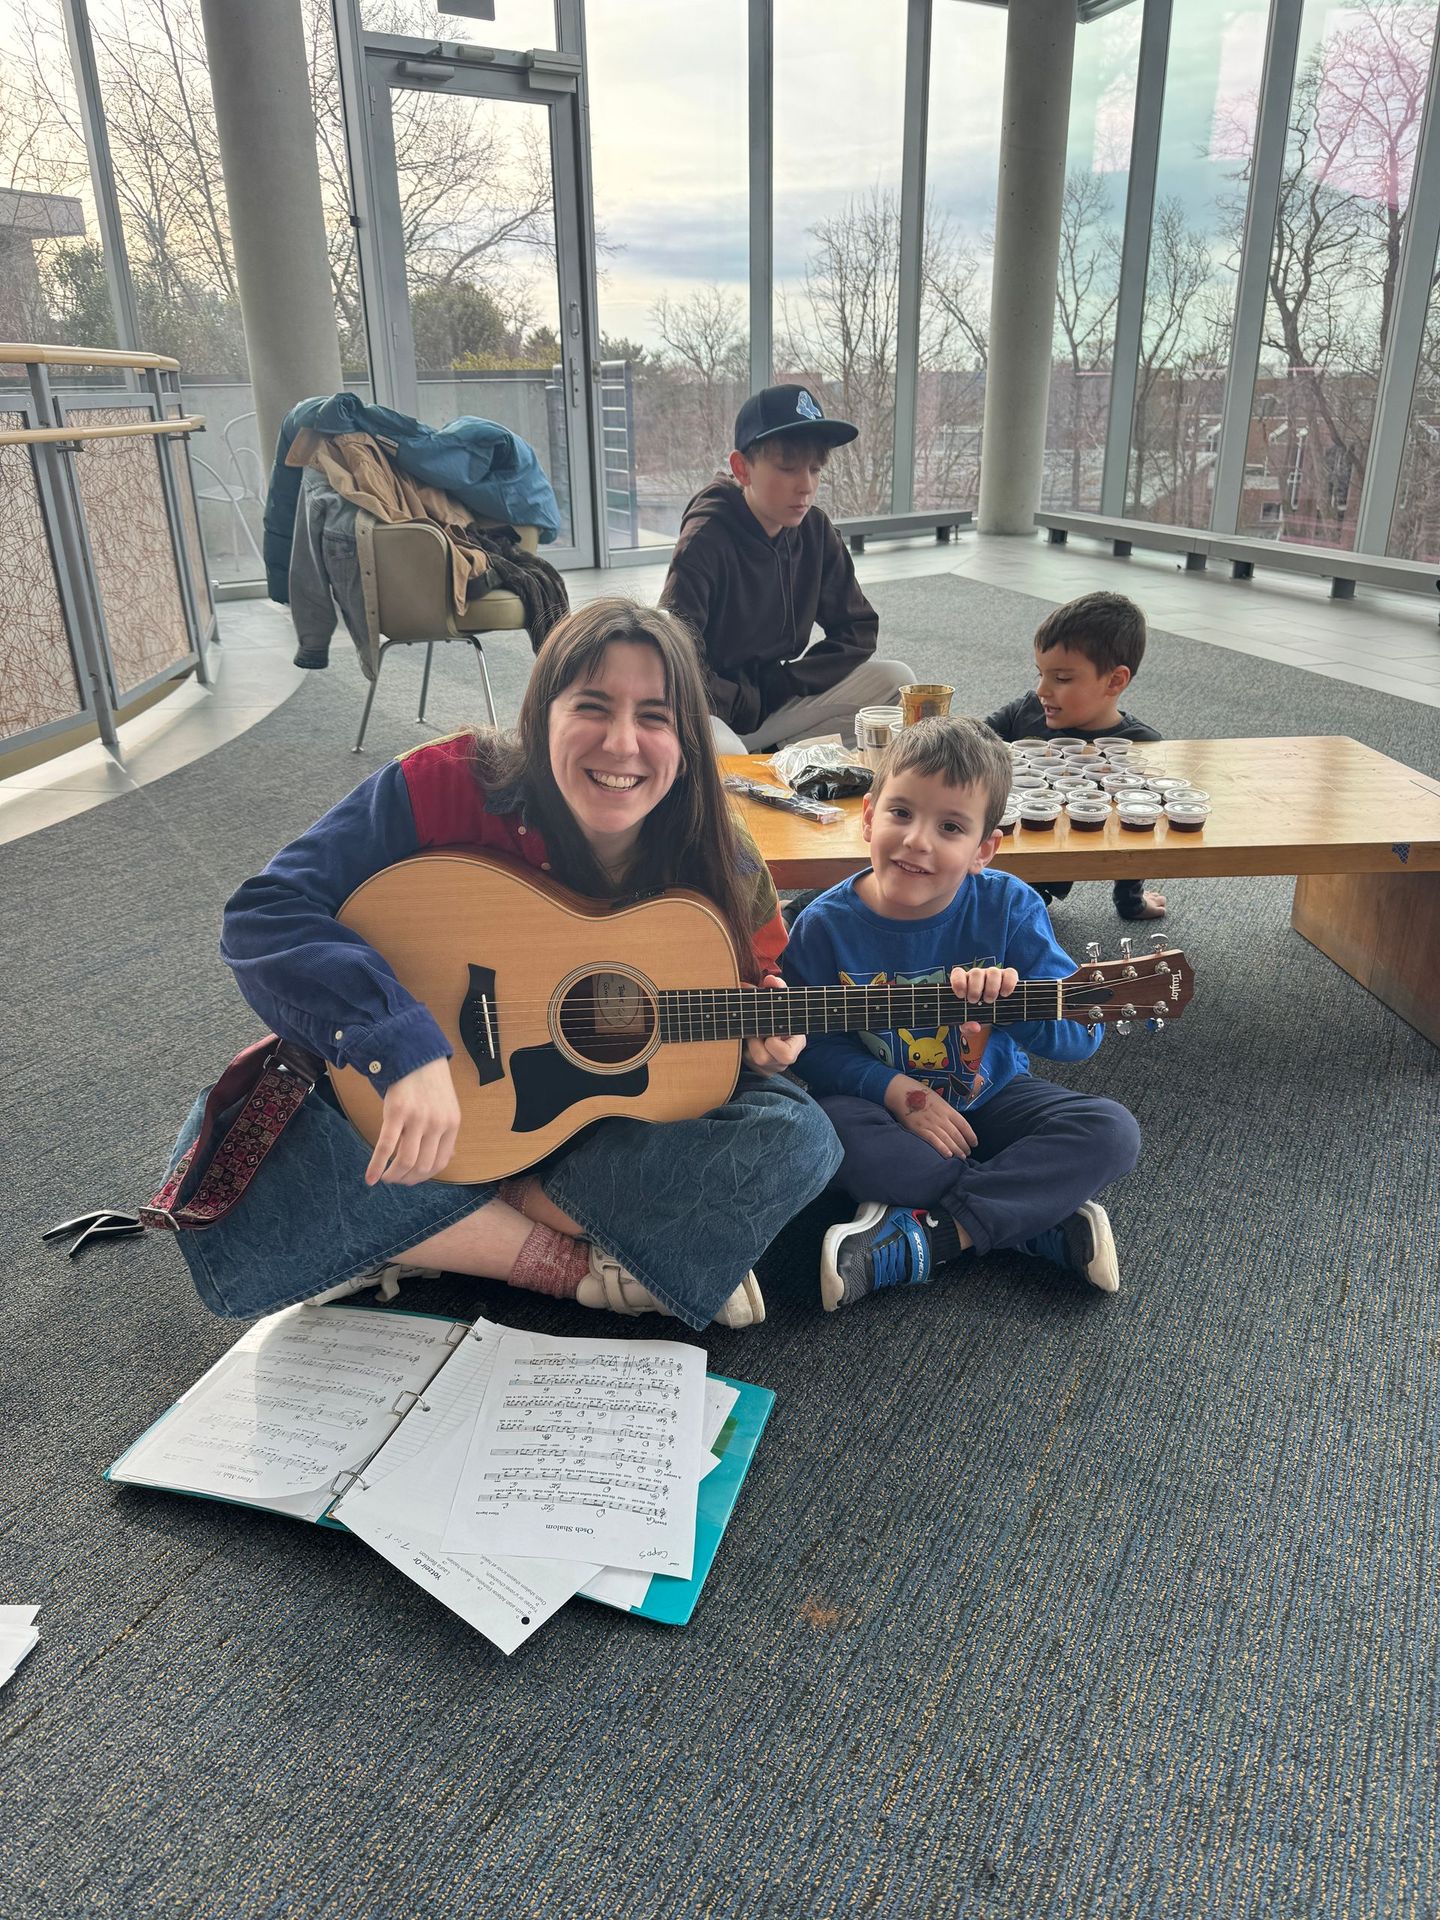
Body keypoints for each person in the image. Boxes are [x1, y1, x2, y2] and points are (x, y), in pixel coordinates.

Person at [159, 599, 843, 1332]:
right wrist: (398, 1042)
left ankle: (446, 1225)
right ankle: (573, 1264)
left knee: (800, 1139)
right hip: (431, 1099)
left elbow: (754, 980)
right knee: (244, 1141)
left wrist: (765, 1034)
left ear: (686, 741)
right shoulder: (441, 783)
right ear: (540, 712)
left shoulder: (724, 853)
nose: (621, 744)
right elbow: (263, 913)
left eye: (654, 716)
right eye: (591, 706)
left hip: (602, 1115)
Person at [781, 716, 1141, 1311]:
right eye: (901, 813)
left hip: (991, 1097)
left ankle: (933, 1234)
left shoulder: (1009, 906)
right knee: (822, 1132)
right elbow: (813, 1052)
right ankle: (1033, 1217)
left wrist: (1015, 1006)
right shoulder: (822, 925)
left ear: (983, 849)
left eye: (950, 826)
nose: (918, 840)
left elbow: (1083, 1038)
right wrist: (898, 1091)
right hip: (879, 1109)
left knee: (1112, 1132)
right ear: (868, 815)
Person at [659, 383, 914, 753]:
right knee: (725, 756)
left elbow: (857, 628)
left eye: (815, 469)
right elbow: (673, 657)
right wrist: (741, 699)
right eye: (788, 467)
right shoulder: (706, 538)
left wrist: (786, 682)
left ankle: (781, 755)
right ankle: (757, 762)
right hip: (710, 711)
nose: (806, 486)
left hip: (772, 702)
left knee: (897, 683)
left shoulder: (815, 530)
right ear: (742, 468)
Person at [984, 591, 1166, 923]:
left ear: (1114, 680)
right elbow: (975, 740)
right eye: (1040, 673)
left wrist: (1132, 901)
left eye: (1062, 678)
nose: (1042, 690)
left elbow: (1137, 827)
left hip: (1044, 870)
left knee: (1015, 911)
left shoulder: (1138, 746)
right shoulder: (1026, 709)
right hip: (991, 849)